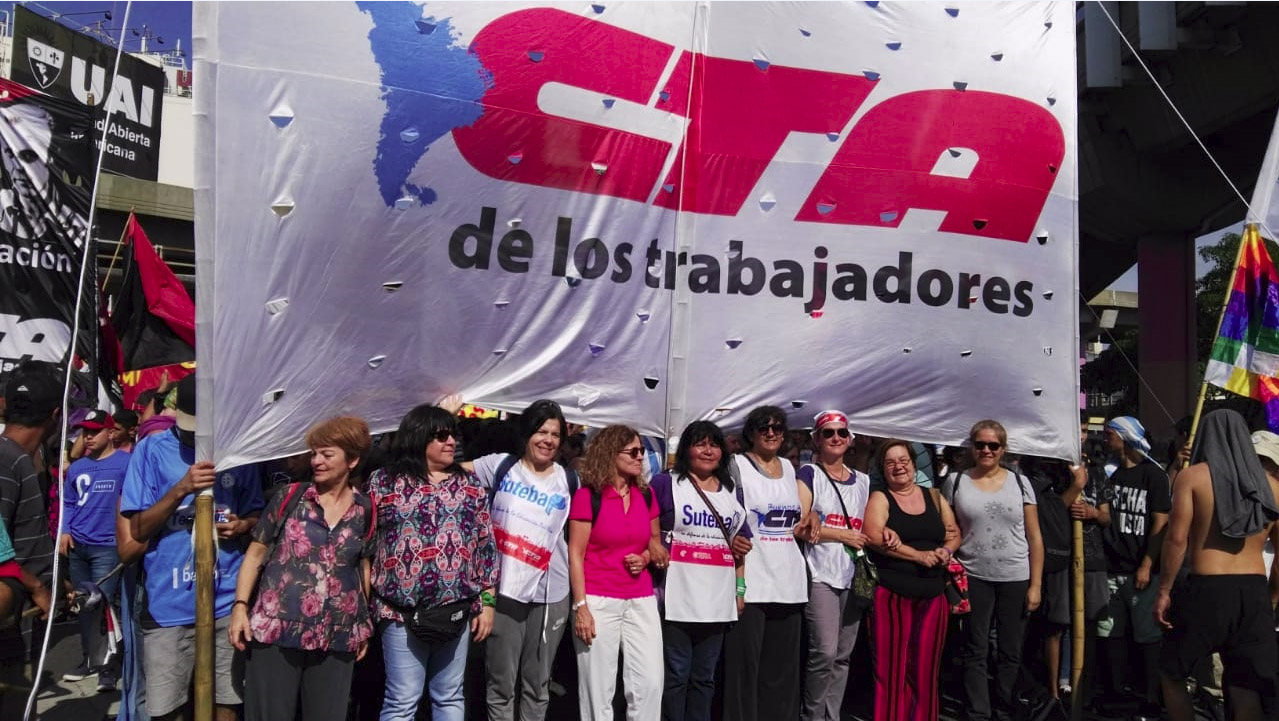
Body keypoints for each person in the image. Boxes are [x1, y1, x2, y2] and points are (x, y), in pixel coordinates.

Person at [120, 374, 264, 721]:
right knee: (166, 708)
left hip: (226, 601)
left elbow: (257, 515)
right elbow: (136, 530)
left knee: (227, 700)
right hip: (168, 605)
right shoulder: (151, 451)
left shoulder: (239, 454)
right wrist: (180, 489)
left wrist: (241, 525)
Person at [228, 417, 376, 721]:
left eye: (327, 454)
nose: (316, 461)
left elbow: (362, 566)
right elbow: (255, 555)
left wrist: (362, 623)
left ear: (352, 460)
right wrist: (240, 607)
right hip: (276, 628)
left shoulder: (365, 509)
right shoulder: (290, 497)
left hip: (337, 633)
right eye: (314, 454)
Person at [366, 404, 499, 721]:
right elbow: (365, 543)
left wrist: (488, 602)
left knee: (450, 696)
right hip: (398, 612)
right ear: (418, 437)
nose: (451, 441)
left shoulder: (470, 485)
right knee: (402, 700)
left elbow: (485, 545)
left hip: (456, 611)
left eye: (453, 434)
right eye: (441, 435)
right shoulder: (383, 482)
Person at [1155, 411, 1279, 721]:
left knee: (1171, 672)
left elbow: (1176, 539)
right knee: (1245, 684)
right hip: (1253, 592)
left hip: (1208, 588)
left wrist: (1165, 590)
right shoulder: (1272, 487)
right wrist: (1272, 598)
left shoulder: (1192, 477)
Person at [459, 398, 577, 721]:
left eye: (555, 434)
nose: (548, 440)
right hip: (504, 591)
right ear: (526, 433)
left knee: (537, 685)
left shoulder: (570, 480)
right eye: (541, 431)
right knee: (500, 683)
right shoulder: (500, 465)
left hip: (550, 595)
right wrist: (444, 420)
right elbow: (446, 471)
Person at [941, 420, 1043, 721]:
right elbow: (947, 529)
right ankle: (978, 712)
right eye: (980, 444)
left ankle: (1004, 708)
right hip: (973, 575)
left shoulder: (1020, 482)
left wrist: (1036, 585)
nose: (986, 450)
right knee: (975, 648)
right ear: (971, 447)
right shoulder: (955, 482)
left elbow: (1035, 537)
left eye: (993, 445)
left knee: (1011, 650)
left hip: (1015, 575)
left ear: (1003, 449)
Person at [650, 420, 751, 721]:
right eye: (700, 444)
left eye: (714, 444)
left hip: (717, 599)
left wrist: (740, 590)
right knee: (676, 674)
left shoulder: (730, 490)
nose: (708, 451)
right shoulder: (665, 483)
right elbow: (646, 527)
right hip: (677, 595)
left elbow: (740, 544)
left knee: (704, 678)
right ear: (686, 449)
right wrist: (655, 545)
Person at [569, 424, 664, 721]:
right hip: (598, 598)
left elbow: (656, 545)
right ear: (611, 454)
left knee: (650, 683)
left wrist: (646, 556)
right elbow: (575, 554)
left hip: (641, 597)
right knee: (598, 689)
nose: (641, 457)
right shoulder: (588, 496)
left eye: (642, 451)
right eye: (633, 452)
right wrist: (581, 607)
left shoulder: (646, 495)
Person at [864, 438, 961, 721]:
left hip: (933, 596)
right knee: (890, 671)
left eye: (903, 460)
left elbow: (953, 533)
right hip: (892, 595)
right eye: (890, 462)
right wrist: (918, 556)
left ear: (914, 464)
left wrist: (945, 551)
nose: (898, 467)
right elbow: (872, 535)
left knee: (926, 671)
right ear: (883, 469)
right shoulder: (881, 498)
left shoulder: (934, 496)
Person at [722, 406, 809, 721]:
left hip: (789, 582)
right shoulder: (737, 465)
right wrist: (731, 539)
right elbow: (722, 510)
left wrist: (811, 517)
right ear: (751, 433)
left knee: (782, 673)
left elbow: (799, 515)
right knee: (744, 670)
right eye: (763, 427)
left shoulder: (789, 467)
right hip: (752, 582)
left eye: (777, 428)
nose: (771, 433)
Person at [796, 410, 873, 721]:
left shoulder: (863, 480)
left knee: (842, 655)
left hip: (852, 575)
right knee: (824, 652)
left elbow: (868, 526)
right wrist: (841, 534)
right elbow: (800, 527)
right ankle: (812, 715)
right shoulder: (809, 474)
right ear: (817, 439)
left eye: (842, 432)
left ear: (850, 439)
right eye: (828, 433)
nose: (836, 438)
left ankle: (832, 714)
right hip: (820, 573)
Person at [1095, 416, 1171, 715]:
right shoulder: (1109, 474)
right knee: (1110, 633)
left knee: (1147, 636)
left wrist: (1147, 564)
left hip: (1141, 571)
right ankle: (1115, 691)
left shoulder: (1154, 476)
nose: (1105, 440)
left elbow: (1161, 523)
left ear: (1125, 437)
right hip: (1110, 568)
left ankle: (1151, 695)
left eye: (1109, 434)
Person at [0, 363, 58, 710]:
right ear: (56, 415)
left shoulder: (20, 459)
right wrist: (36, 586)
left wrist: (52, 581)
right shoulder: (6, 460)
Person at [60, 409, 131, 691]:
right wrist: (65, 530)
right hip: (79, 544)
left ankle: (109, 666)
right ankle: (90, 658)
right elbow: (68, 502)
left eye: (94, 431)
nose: (88, 437)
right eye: (84, 432)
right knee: (84, 605)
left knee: (103, 604)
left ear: (110, 432)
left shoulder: (126, 463)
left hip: (108, 546)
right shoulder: (77, 467)